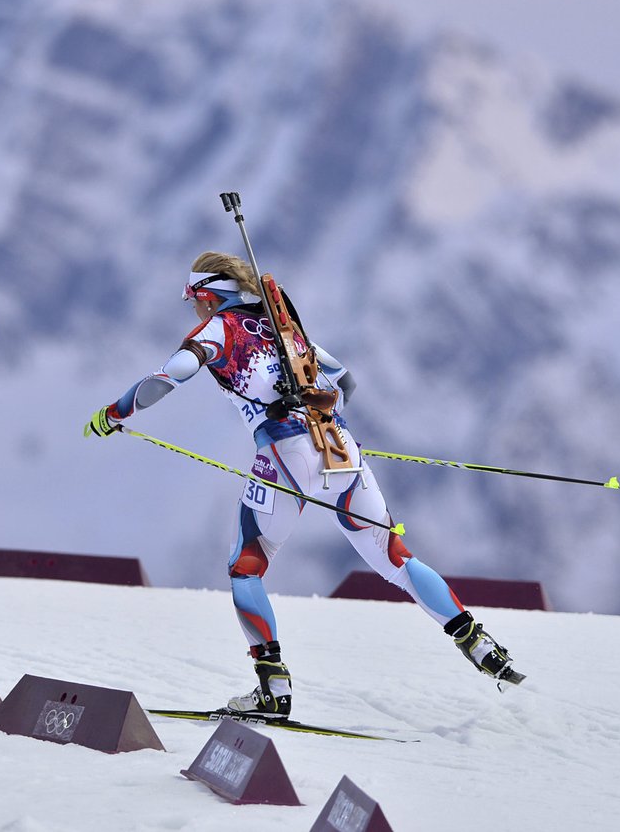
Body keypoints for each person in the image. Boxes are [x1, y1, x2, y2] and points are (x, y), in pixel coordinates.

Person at [84, 250, 522, 719]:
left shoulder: (216, 331)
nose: (194, 309)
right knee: (396, 557)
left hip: (283, 455)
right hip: (339, 446)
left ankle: (272, 686)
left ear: (209, 295)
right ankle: (476, 641)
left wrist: (112, 415)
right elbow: (345, 382)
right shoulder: (283, 326)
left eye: (194, 300)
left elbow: (165, 380)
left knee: (246, 567)